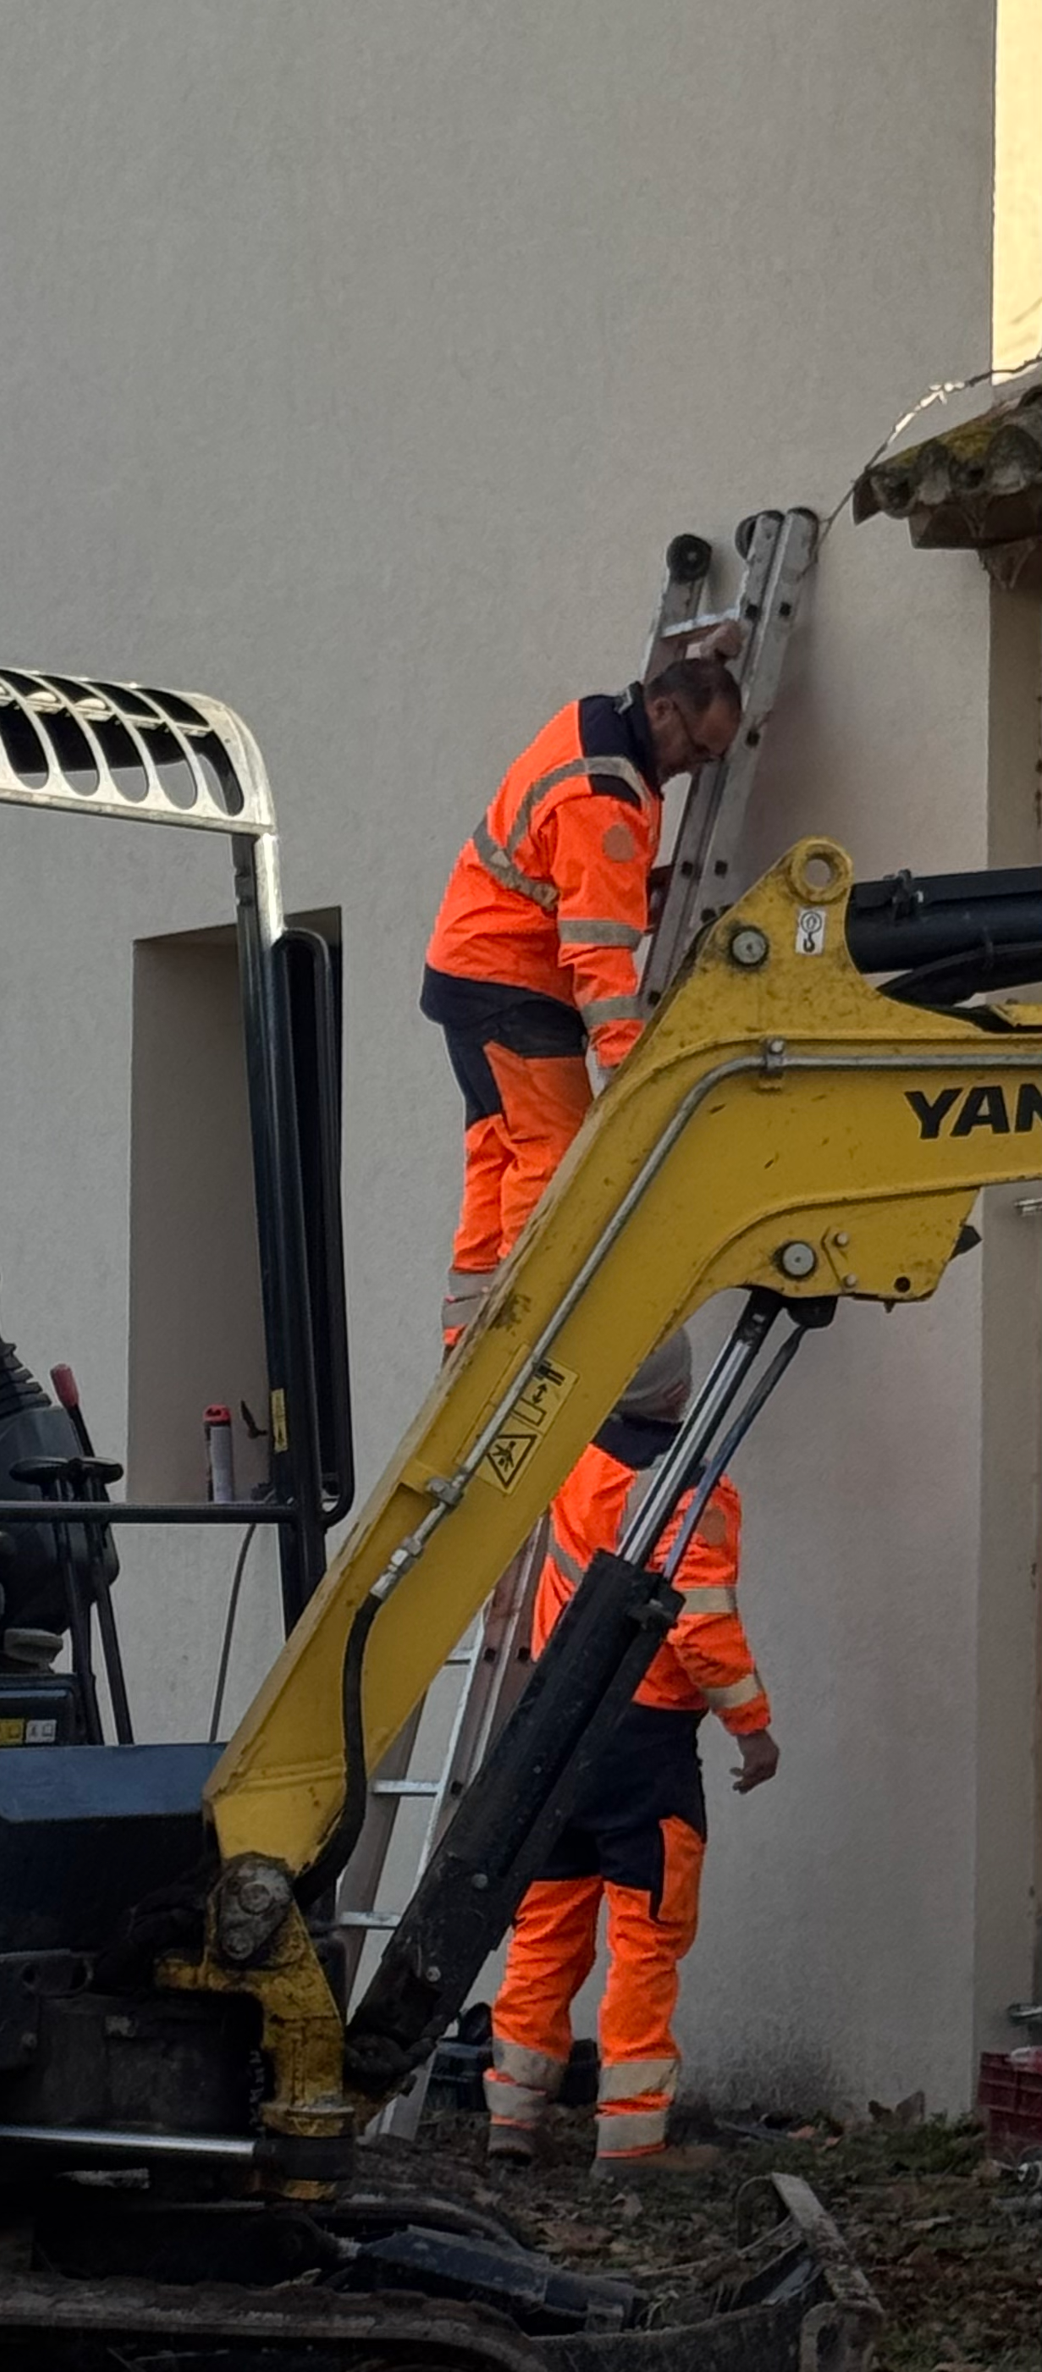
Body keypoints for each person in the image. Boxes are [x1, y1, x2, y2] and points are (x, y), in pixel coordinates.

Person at [483, 1331, 778, 2176]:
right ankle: (633, 2140)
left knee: (546, 1926)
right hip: (644, 1743)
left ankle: (513, 2116)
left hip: (557, 1729)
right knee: (645, 1937)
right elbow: (702, 1624)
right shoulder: (692, 1489)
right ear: (682, 1395)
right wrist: (752, 1727)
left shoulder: (573, 1464)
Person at [423, 646, 743, 1342]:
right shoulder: (604, 796)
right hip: (511, 981)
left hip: (475, 965)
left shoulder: (598, 719)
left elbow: (574, 884)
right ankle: (525, 1330)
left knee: (498, 1151)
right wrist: (630, 1073)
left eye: (708, 757)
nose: (692, 766)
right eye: (694, 746)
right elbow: (599, 955)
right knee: (556, 1157)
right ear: (661, 709)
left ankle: (469, 1333)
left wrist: (631, 888)